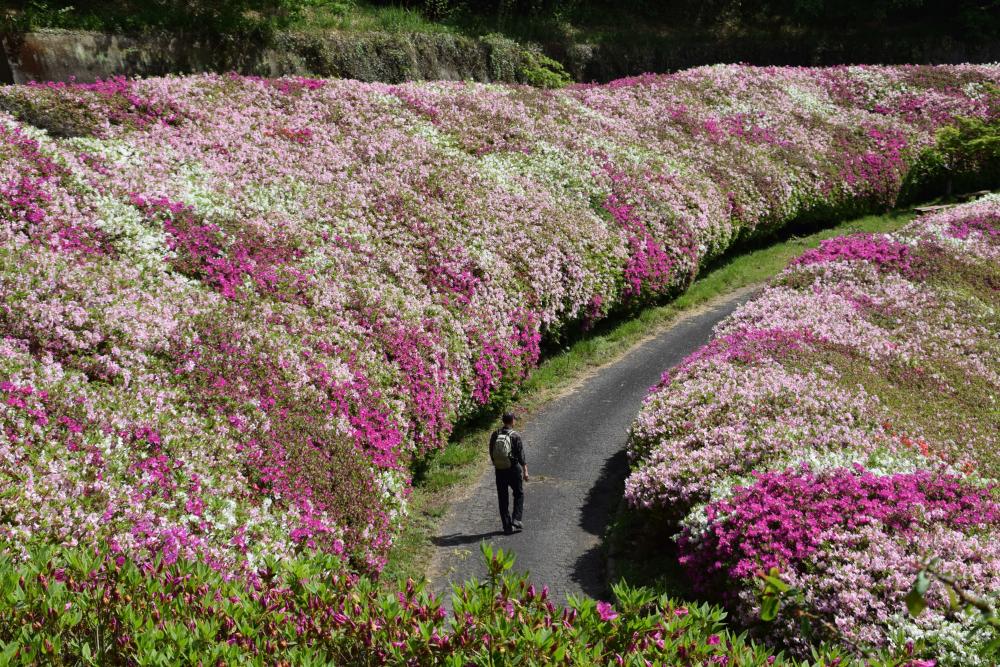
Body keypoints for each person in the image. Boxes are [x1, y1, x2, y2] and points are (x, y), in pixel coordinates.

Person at [488, 411, 528, 535]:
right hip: (513, 469)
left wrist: (496, 463)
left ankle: (506, 526)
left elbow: (491, 452)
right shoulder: (515, 436)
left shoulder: (495, 434)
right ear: (512, 421)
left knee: (502, 498)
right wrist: (525, 471)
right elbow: (521, 455)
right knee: (518, 494)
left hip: (500, 470)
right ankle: (516, 519)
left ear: (503, 421)